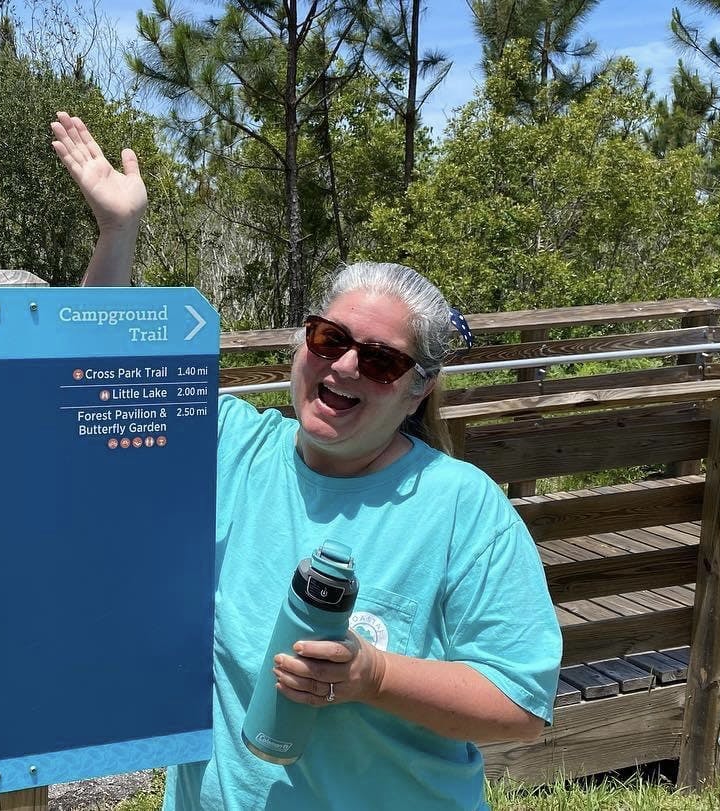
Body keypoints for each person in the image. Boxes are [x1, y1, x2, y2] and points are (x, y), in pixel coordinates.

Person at [50, 112, 562, 810]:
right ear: (301, 343)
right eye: (328, 337)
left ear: (418, 389)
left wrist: (374, 674)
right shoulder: (233, 445)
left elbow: (519, 702)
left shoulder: (462, 507)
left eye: (380, 359)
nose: (344, 365)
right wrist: (118, 232)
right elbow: (96, 385)